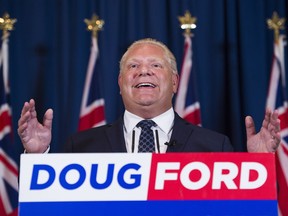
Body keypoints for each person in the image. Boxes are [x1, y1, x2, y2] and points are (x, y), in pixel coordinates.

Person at [17, 38, 281, 154]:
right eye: (133, 66)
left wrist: (261, 165)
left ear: (175, 82)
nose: (144, 71)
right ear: (120, 83)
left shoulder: (215, 146)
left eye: (156, 65)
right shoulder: (81, 146)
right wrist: (37, 157)